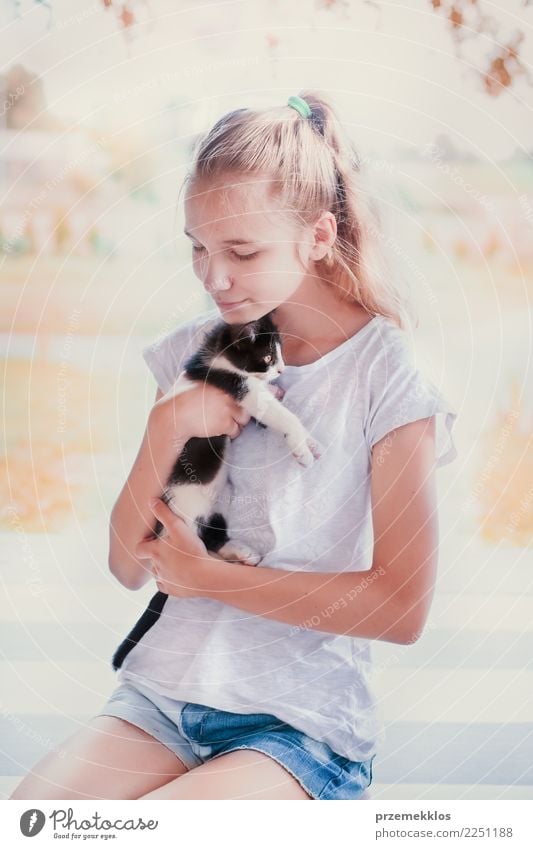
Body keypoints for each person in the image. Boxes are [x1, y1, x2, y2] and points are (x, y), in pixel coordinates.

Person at [11, 91, 458, 801]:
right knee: (35, 817)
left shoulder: (385, 375)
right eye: (198, 247)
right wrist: (165, 425)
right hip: (161, 697)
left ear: (316, 236)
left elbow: (400, 607)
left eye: (242, 252)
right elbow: (129, 563)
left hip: (295, 726)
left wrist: (211, 577)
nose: (213, 277)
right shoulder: (197, 348)